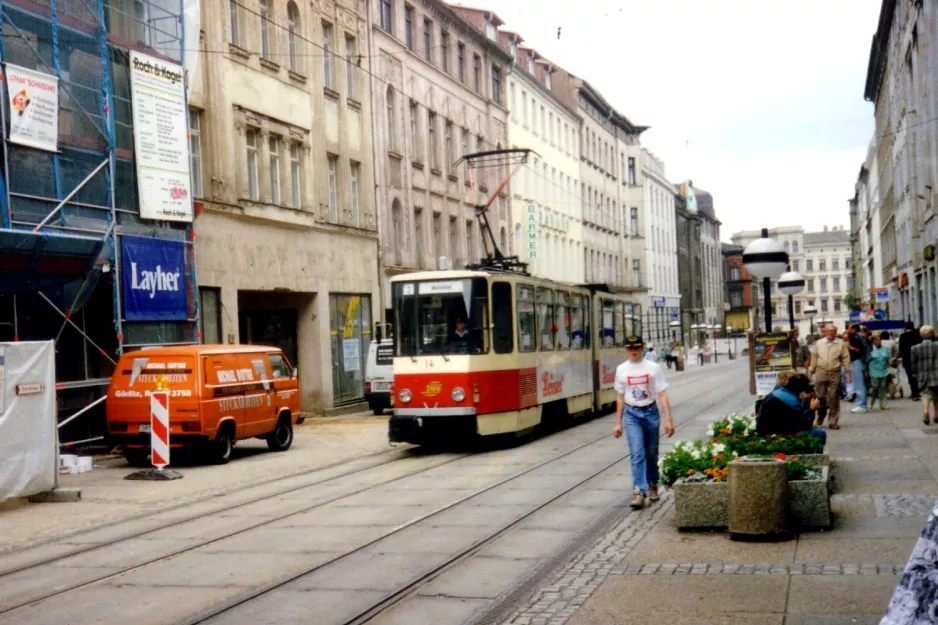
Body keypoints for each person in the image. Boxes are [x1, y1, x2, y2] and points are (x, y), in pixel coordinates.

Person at [612, 335, 675, 509]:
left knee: (651, 452)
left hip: (650, 412)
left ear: (642, 348)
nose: (634, 351)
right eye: (630, 348)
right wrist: (618, 423)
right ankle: (639, 491)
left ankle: (653, 483)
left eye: (637, 347)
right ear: (626, 350)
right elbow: (620, 396)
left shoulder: (653, 367)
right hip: (631, 414)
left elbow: (662, 394)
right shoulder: (621, 369)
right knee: (637, 452)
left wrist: (669, 420)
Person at [755, 371, 827, 445]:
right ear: (800, 390)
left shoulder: (779, 391)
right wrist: (812, 409)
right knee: (820, 434)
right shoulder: (792, 401)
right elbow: (805, 424)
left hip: (767, 430)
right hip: (777, 434)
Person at [809, 323, 851, 430]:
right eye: (828, 331)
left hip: (834, 372)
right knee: (820, 397)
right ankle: (821, 415)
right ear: (825, 332)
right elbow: (814, 357)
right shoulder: (819, 343)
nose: (830, 333)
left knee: (833, 397)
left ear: (836, 332)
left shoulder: (841, 343)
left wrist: (848, 373)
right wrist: (811, 371)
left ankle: (833, 421)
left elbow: (846, 358)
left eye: (833, 331)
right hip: (821, 371)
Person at [912, 325, 938, 425]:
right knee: (937, 396)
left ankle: (926, 411)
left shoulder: (915, 348)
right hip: (936, 374)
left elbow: (913, 363)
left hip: (923, 375)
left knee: (925, 395)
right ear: (932, 334)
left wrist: (914, 374)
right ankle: (936, 415)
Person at [847, 324, 869, 413]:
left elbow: (858, 350)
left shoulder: (855, 337)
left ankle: (862, 405)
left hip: (856, 361)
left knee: (858, 383)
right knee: (860, 383)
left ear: (854, 329)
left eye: (849, 328)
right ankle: (862, 404)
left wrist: (848, 346)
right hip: (861, 360)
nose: (848, 330)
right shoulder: (862, 336)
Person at [867, 334, 892, 410]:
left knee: (883, 387)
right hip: (874, 371)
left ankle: (883, 404)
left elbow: (888, 359)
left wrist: (890, 368)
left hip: (884, 371)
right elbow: (867, 361)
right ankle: (871, 402)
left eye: (879, 339)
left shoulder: (885, 349)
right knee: (875, 387)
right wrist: (866, 371)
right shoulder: (870, 350)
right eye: (876, 340)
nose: (879, 341)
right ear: (873, 341)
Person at [899, 320, 923, 400]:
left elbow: (901, 349)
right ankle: (919, 391)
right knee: (918, 375)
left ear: (905, 327)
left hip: (907, 359)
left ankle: (914, 392)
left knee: (910, 376)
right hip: (918, 358)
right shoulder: (918, 334)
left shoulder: (903, 336)